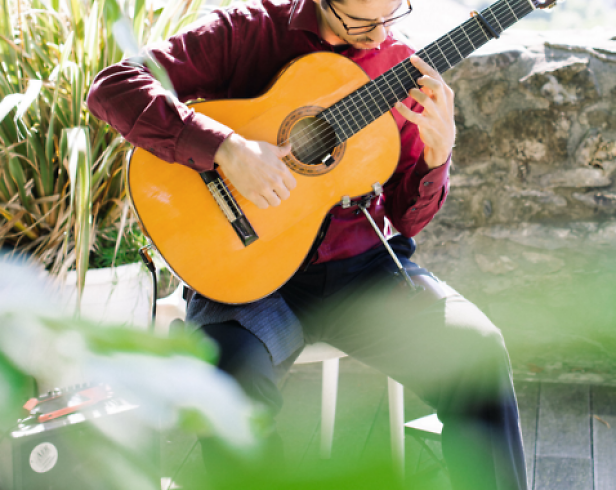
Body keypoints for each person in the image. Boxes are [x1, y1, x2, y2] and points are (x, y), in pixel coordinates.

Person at [87, 0, 528, 488]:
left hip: (362, 273)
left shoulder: (398, 67)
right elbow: (114, 88)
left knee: (477, 353)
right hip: (247, 277)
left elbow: (408, 218)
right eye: (364, 20)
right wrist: (227, 149)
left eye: (393, 12)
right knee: (226, 385)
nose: (381, 32)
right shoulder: (246, 32)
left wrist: (438, 156)